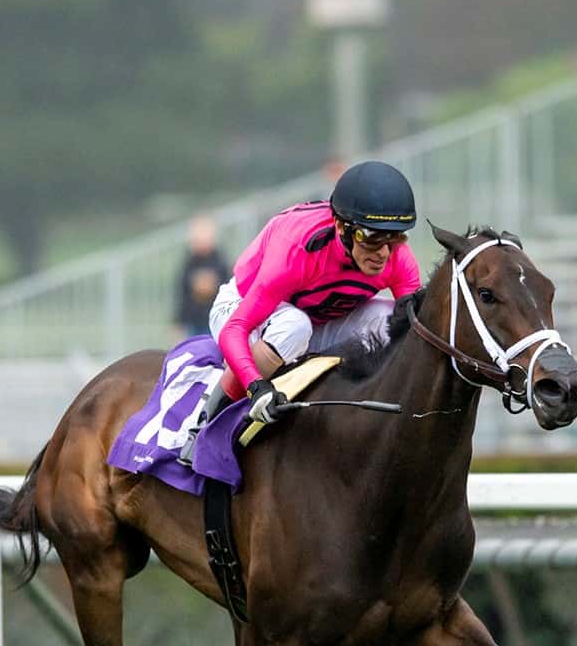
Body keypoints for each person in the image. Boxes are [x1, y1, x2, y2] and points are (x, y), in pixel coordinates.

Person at [179, 160, 421, 461]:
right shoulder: (296, 249)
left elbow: (413, 331)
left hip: (316, 321)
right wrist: (256, 388)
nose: (384, 253)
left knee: (392, 321)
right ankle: (202, 428)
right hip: (244, 309)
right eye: (371, 238)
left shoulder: (398, 259)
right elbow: (234, 330)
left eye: (395, 237)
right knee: (295, 325)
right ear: (341, 228)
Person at [174, 216, 231, 339]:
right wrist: (179, 321)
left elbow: (225, 287)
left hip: (214, 317)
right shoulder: (189, 262)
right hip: (194, 320)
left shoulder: (219, 260)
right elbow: (182, 292)